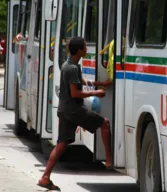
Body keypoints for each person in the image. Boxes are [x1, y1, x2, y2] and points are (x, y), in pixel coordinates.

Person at [38, 37, 112, 191]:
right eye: (85, 47)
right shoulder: (71, 68)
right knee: (104, 123)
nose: (87, 49)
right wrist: (96, 93)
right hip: (73, 110)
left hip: (64, 110)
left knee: (61, 144)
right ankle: (109, 160)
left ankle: (45, 176)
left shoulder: (70, 65)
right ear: (78, 50)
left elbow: (80, 81)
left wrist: (99, 84)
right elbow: (76, 93)